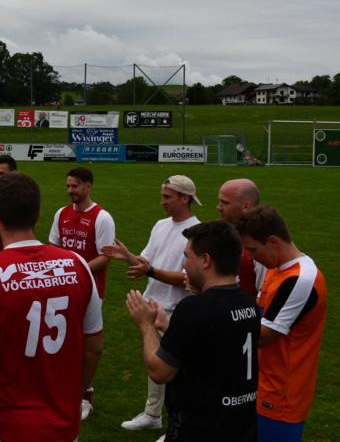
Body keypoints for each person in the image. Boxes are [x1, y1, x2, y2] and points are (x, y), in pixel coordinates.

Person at [0, 172, 104, 441]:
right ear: (37, 215)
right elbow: (93, 349)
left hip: (1, 427)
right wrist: (71, 399)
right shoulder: (78, 265)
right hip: (63, 426)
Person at [125, 220, 259, 441]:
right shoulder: (249, 303)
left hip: (200, 430)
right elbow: (213, 344)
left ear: (206, 260)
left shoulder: (194, 308)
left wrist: (146, 324)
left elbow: (159, 372)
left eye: (187, 256)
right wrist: (168, 326)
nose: (184, 264)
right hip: (242, 429)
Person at [102, 174, 201, 433]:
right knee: (155, 365)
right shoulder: (160, 225)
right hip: (153, 307)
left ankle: (177, 425)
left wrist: (151, 272)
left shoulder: (197, 232)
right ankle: (153, 414)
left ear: (185, 198)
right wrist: (127, 257)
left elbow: (189, 278)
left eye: (167, 197)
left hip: (177, 310)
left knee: (179, 372)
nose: (162, 201)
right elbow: (146, 263)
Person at [236, 206, 327, 441]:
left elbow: (264, 335)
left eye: (252, 249)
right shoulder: (276, 269)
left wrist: (215, 319)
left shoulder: (301, 279)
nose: (250, 257)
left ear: (273, 242)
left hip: (282, 396)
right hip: (262, 384)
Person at [48, 166, 115, 421]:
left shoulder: (102, 217)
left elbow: (105, 257)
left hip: (91, 291)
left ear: (88, 186)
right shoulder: (61, 213)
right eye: (68, 186)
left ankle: (85, 396)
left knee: (85, 346)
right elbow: (53, 247)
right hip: (62, 289)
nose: (70, 190)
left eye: (75, 186)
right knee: (62, 343)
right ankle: (65, 391)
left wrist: (75, 270)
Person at [216, 178, 264, 297]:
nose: (218, 207)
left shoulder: (262, 245)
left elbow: (264, 294)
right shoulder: (219, 235)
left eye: (225, 203)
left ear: (246, 206)